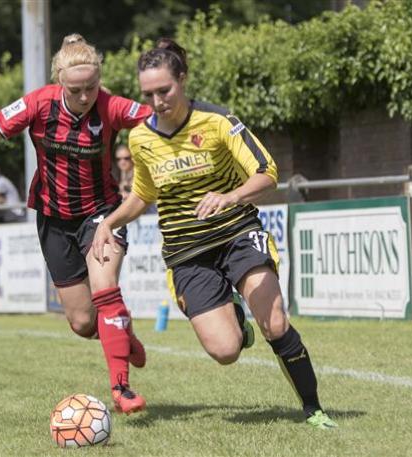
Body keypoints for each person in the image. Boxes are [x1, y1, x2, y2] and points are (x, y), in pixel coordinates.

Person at [92, 38, 337, 429]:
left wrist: (230, 196)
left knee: (274, 323)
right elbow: (143, 195)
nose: (157, 101)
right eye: (149, 94)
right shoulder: (140, 138)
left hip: (237, 233)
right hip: (187, 252)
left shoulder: (218, 121)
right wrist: (109, 222)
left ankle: (313, 409)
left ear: (183, 80)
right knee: (225, 351)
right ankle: (237, 321)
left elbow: (267, 172)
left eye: (165, 90)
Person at [0, 34, 152, 414]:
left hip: (101, 213)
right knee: (81, 322)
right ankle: (124, 334)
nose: (86, 96)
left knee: (105, 289)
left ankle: (121, 389)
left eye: (92, 87)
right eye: (76, 90)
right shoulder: (37, 103)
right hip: (53, 218)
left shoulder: (110, 106)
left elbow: (162, 120)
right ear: (59, 82)